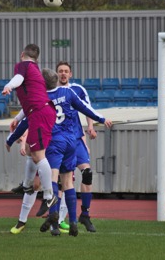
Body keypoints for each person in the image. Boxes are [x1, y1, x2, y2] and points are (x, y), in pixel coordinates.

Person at [7, 68, 113, 236]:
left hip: (53, 142)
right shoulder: (68, 92)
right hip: (71, 142)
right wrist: (102, 119)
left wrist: (11, 139)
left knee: (53, 181)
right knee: (68, 182)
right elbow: (85, 108)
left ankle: (54, 224)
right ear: (56, 79)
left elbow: (27, 121)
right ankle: (73, 223)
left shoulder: (40, 99)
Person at [2, 44, 57, 216]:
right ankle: (26, 184)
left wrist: (9, 86)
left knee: (38, 155)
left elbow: (18, 77)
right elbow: (31, 103)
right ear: (37, 59)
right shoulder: (36, 73)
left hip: (40, 113)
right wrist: (17, 120)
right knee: (29, 150)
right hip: (40, 112)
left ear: (22, 54)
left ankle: (49, 195)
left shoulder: (24, 66)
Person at [56, 61, 98, 232]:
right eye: (60, 71)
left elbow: (88, 108)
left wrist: (91, 126)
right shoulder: (51, 92)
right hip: (59, 141)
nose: (63, 74)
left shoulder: (78, 89)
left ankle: (85, 215)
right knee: (59, 181)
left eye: (66, 71)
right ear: (56, 74)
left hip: (76, 139)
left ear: (71, 74)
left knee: (87, 173)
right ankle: (56, 219)